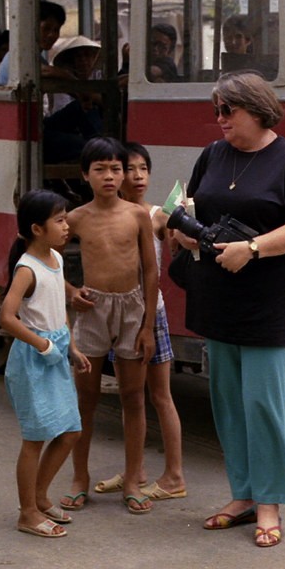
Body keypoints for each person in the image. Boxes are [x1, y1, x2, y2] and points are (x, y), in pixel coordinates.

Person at [173, 70, 285, 548]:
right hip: (217, 295)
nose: (219, 120)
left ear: (256, 111)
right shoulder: (213, 154)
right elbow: (191, 207)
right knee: (228, 403)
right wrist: (178, 227)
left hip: (267, 300)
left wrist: (252, 248)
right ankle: (242, 495)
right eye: (216, 111)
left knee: (262, 405)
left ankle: (270, 502)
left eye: (227, 111)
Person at [60, 137, 157, 515]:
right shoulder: (76, 218)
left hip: (132, 308)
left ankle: (132, 480)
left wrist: (148, 325)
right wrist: (71, 292)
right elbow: (42, 256)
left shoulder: (136, 216)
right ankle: (79, 478)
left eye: (116, 168)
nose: (110, 176)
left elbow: (150, 270)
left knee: (134, 397)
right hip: (93, 310)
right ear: (85, 175)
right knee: (85, 398)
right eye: (100, 169)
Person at [94, 142, 186, 501]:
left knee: (160, 395)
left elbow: (180, 244)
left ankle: (174, 476)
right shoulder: (108, 215)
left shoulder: (156, 216)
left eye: (143, 169)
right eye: (129, 169)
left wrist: (180, 233)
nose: (137, 177)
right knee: (130, 397)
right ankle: (136, 471)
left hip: (152, 314)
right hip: (119, 314)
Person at [0, 189, 91, 539]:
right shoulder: (27, 268)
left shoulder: (55, 258)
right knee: (35, 438)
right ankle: (27, 513)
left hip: (56, 354)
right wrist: (43, 344)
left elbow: (58, 309)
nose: (67, 226)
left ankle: (39, 497)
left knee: (70, 431)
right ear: (37, 228)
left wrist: (72, 348)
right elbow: (7, 318)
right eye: (60, 220)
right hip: (33, 360)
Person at [43, 36, 103, 165]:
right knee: (78, 107)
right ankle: (100, 148)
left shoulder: (98, 79)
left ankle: (99, 145)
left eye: (87, 56)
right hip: (62, 130)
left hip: (84, 130)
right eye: (78, 57)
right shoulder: (62, 82)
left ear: (94, 58)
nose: (83, 61)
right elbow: (64, 111)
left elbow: (103, 101)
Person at [0, 0, 69, 87]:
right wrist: (69, 77)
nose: (51, 35)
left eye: (56, 30)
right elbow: (46, 71)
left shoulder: (40, 60)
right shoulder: (17, 56)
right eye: (46, 28)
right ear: (31, 27)